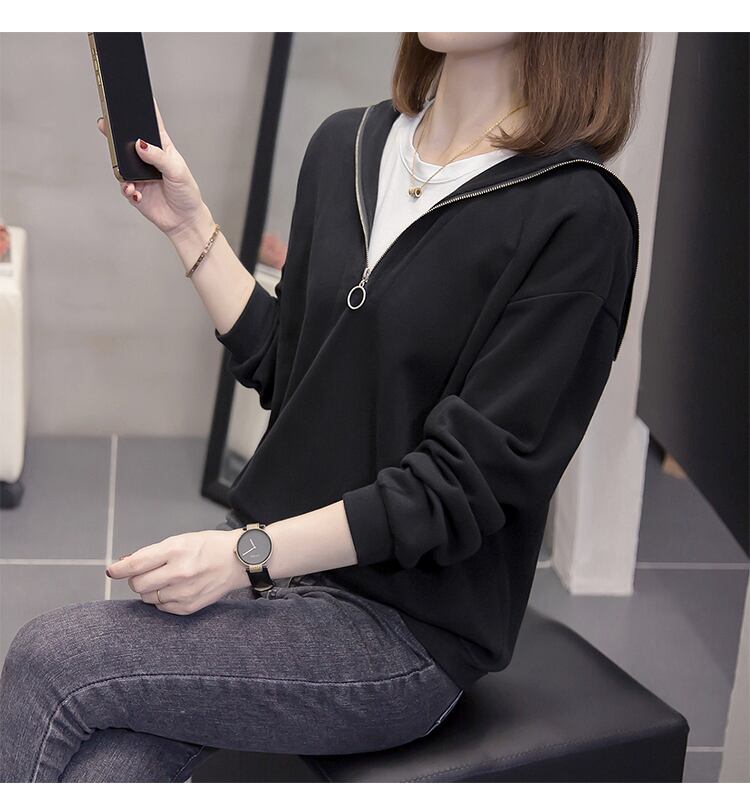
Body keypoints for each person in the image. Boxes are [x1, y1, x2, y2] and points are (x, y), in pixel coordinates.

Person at [0, 32, 646, 782]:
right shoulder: (346, 144)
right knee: (107, 767)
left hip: (401, 629)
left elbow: (460, 488)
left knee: (51, 659)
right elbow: (293, 370)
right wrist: (188, 224)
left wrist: (244, 557)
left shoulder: (576, 216)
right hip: (274, 568)